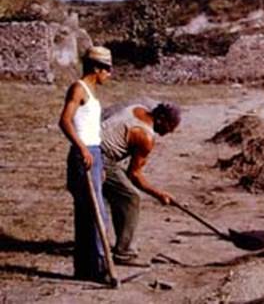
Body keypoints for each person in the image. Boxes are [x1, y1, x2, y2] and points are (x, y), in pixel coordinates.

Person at [100, 101, 181, 264]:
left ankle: (115, 243)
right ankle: (125, 253)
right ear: (161, 119)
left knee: (121, 192)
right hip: (100, 159)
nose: (169, 132)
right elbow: (134, 175)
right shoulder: (145, 136)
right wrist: (159, 195)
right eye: (170, 127)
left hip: (92, 148)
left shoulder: (137, 108)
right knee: (131, 197)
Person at [58, 46, 114, 282]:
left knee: (88, 214)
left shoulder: (91, 91)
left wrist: (98, 160)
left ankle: (85, 269)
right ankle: (100, 268)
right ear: (96, 68)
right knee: (94, 214)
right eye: (107, 70)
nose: (109, 75)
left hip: (94, 153)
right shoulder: (78, 89)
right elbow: (65, 121)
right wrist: (82, 148)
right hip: (84, 154)